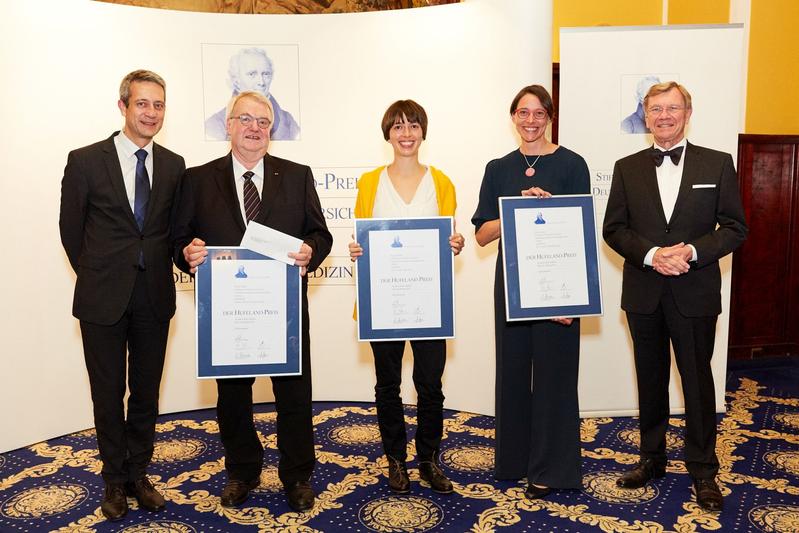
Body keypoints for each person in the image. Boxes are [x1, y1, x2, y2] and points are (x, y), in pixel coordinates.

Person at [174, 90, 332, 511]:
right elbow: (180, 240)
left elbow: (321, 234)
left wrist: (310, 251)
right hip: (229, 315)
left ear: (272, 130)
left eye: (263, 121)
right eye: (245, 119)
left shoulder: (297, 175)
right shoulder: (197, 179)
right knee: (232, 399)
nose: (254, 128)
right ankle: (242, 470)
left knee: (295, 397)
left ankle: (297, 475)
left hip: (283, 313)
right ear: (228, 125)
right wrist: (185, 252)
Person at [603, 81, 747, 512]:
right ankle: (652, 458)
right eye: (655, 109)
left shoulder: (718, 164)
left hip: (695, 292)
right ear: (645, 116)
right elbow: (614, 229)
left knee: (697, 383)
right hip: (644, 293)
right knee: (649, 378)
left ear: (687, 113)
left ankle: (704, 471)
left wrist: (693, 252)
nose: (663, 116)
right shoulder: (626, 167)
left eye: (672, 108)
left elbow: (735, 228)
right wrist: (651, 255)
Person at [59, 70, 186, 521]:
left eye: (159, 105)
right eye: (143, 104)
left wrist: (186, 254)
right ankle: (113, 478)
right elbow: (71, 233)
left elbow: (173, 234)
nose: (151, 113)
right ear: (123, 106)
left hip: (154, 297)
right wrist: (100, 274)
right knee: (107, 392)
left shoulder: (174, 165)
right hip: (101, 300)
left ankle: (138, 473)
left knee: (146, 393)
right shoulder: (85, 160)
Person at [471, 85, 589, 500]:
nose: (531, 121)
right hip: (514, 288)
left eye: (539, 113)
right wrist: (513, 209)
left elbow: (582, 232)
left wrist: (572, 300)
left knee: (556, 378)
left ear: (550, 116)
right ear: (514, 117)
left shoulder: (573, 164)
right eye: (523, 113)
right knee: (513, 374)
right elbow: (482, 236)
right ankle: (514, 461)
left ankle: (551, 469)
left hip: (558, 289)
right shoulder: (498, 168)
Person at [348, 100, 465, 494]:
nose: (406, 134)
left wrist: (455, 241)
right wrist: (357, 250)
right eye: (398, 127)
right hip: (383, 302)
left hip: (429, 301)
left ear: (423, 132)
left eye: (413, 125)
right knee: (387, 385)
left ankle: (429, 459)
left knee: (430, 384)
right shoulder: (368, 183)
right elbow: (362, 237)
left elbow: (448, 235)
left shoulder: (443, 182)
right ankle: (395, 459)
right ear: (388, 134)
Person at [205, 47, 300, 141]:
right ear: (236, 81)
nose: (261, 82)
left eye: (266, 74)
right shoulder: (215, 125)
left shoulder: (289, 122)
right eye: (252, 74)